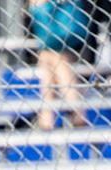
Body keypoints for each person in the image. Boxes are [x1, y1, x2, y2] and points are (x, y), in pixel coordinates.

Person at [30, 0, 88, 130]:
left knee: (52, 58)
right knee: (49, 59)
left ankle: (52, 116)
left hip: (53, 18)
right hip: (54, 18)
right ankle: (52, 116)